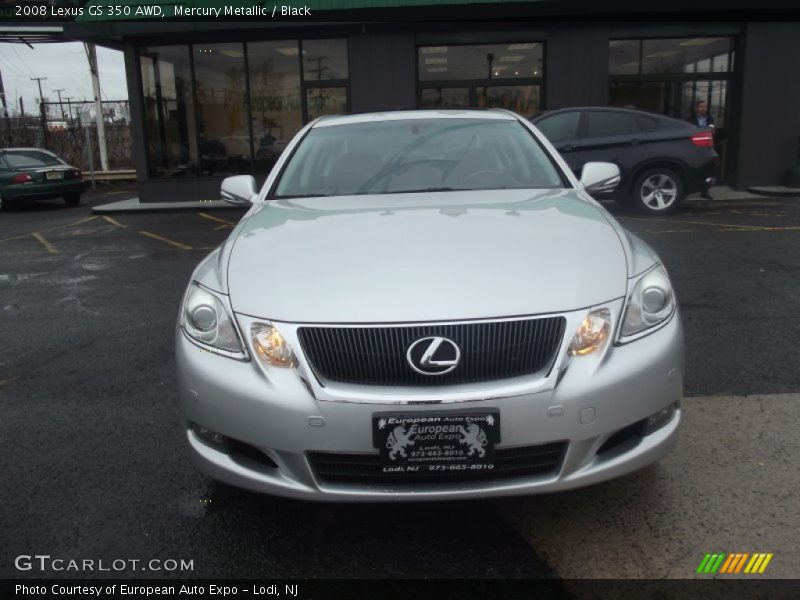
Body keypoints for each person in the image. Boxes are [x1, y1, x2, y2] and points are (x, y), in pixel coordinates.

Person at [689, 101, 715, 199]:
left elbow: (711, 131)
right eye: (701, 106)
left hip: (706, 147)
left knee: (706, 169)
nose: (703, 108)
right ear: (697, 108)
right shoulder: (691, 118)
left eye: (705, 107)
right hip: (694, 147)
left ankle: (705, 191)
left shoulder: (710, 118)